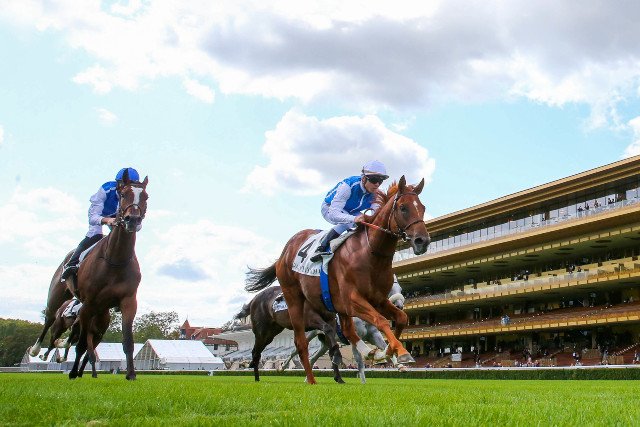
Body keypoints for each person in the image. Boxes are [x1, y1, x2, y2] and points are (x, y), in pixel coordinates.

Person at [61, 167, 140, 282]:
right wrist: (108, 220)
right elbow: (93, 218)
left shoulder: (135, 196)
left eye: (131, 184)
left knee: (123, 238)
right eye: (122, 184)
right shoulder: (106, 189)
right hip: (99, 214)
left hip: (117, 215)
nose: (125, 187)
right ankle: (71, 263)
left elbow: (137, 224)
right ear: (117, 183)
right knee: (96, 234)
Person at [309, 160, 389, 262]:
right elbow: (333, 214)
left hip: (351, 211)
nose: (377, 184)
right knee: (348, 223)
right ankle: (321, 248)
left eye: (381, 181)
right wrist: (354, 219)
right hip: (330, 208)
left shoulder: (377, 194)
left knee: (364, 225)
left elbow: (376, 216)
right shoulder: (347, 187)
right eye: (374, 180)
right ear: (364, 178)